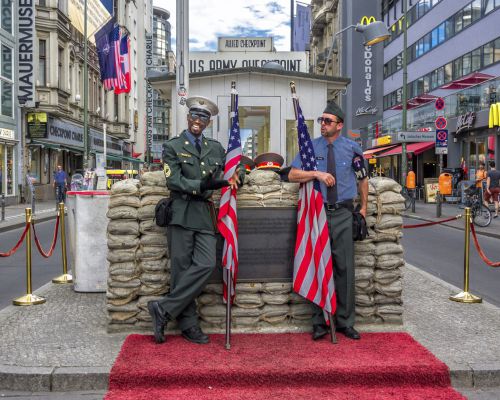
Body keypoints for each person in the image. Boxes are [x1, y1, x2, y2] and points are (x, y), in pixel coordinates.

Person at [147, 96, 244, 345]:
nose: (197, 121)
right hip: (180, 211)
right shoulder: (172, 146)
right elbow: (173, 180)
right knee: (181, 272)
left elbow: (232, 169)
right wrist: (202, 184)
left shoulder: (216, 148)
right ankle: (189, 324)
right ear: (188, 118)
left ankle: (163, 309)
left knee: (205, 263)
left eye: (203, 117)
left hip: (203, 215)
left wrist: (237, 176)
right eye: (194, 116)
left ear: (208, 122)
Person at [288, 101, 368, 341]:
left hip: (343, 213)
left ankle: (345, 322)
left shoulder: (352, 148)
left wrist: (363, 208)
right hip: (318, 213)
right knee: (319, 266)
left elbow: (362, 179)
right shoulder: (311, 147)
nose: (322, 124)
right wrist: (316, 174)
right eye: (321, 120)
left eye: (327, 121)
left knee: (344, 268)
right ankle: (321, 322)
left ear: (339, 125)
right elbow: (292, 174)